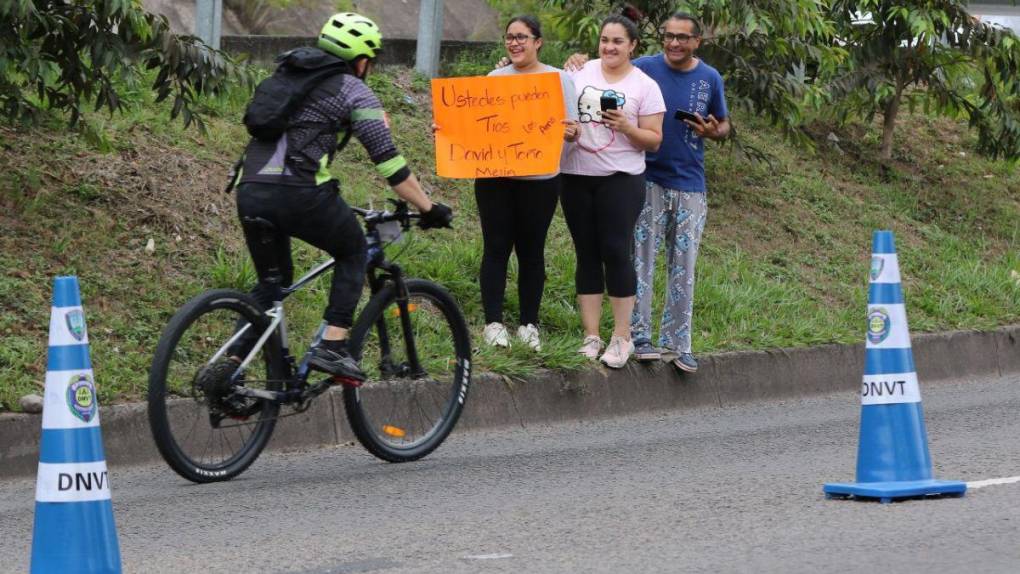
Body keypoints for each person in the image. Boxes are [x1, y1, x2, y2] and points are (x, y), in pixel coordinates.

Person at [232, 12, 453, 381]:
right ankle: (332, 346)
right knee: (352, 250)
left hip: (250, 190)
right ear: (362, 60)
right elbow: (390, 165)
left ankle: (231, 365)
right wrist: (429, 208)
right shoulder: (353, 89)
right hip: (299, 192)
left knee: (272, 284)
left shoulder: (286, 78)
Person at [567, 12, 729, 373]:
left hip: (685, 180)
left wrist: (713, 131)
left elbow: (723, 125)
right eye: (669, 36)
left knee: (681, 266)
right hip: (643, 180)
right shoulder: (637, 67)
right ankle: (636, 337)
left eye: (682, 38)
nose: (674, 43)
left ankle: (677, 343)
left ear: (696, 42)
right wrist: (576, 60)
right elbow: (593, 70)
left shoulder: (707, 78)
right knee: (637, 258)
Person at [559, 15, 665, 369]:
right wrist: (568, 132)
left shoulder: (645, 85)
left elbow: (653, 140)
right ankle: (591, 335)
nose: (609, 47)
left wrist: (627, 127)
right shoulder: (578, 73)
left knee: (615, 251)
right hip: (575, 174)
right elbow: (558, 114)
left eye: (618, 41)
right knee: (586, 252)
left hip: (621, 178)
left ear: (633, 45)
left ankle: (622, 337)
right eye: (605, 40)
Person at [471, 15, 578, 351]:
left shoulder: (558, 79)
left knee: (532, 251)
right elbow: (477, 126)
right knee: (495, 248)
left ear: (538, 41)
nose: (514, 43)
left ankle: (529, 324)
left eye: (521, 37)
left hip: (541, 181)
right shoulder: (494, 78)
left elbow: (573, 132)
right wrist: (448, 131)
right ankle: (493, 322)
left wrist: (570, 132)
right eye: (509, 37)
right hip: (495, 179)